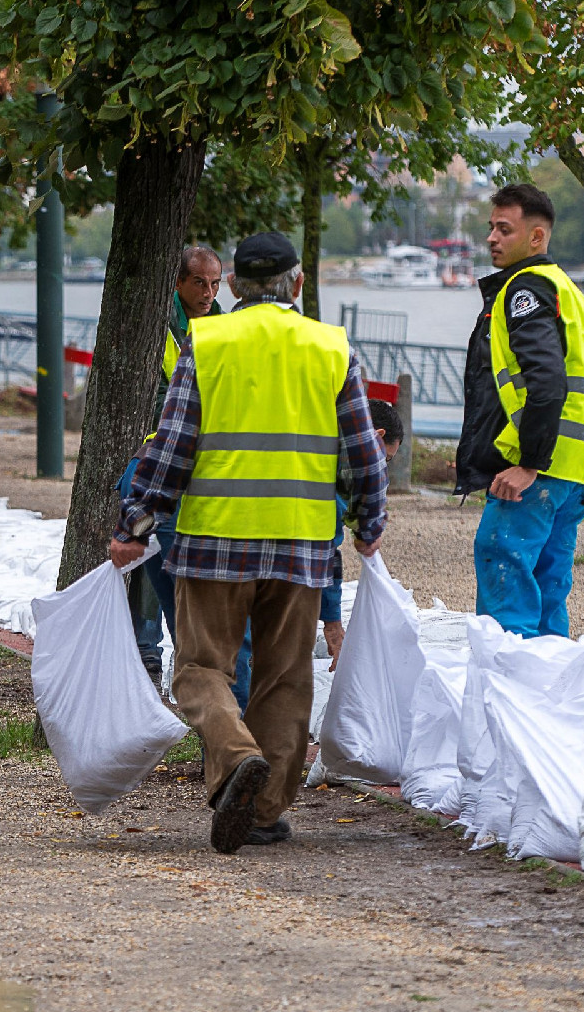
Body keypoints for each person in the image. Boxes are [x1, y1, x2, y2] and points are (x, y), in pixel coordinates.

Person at [112, 231, 388, 854]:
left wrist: (135, 526)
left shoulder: (206, 344)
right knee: (285, 678)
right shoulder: (330, 347)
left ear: (233, 286)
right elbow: (364, 453)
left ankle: (237, 758)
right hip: (302, 547)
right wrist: (368, 524)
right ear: (297, 284)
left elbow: (172, 447)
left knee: (200, 668)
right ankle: (264, 813)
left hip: (215, 539)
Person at [456, 183, 584, 639]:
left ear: (536, 237)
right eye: (491, 228)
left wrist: (527, 464)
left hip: (543, 466)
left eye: (505, 229)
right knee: (547, 589)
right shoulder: (572, 294)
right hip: (580, 468)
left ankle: (509, 694)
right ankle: (549, 698)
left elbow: (546, 383)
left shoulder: (525, 290)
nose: (492, 238)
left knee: (504, 563)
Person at [121, 245, 254, 701]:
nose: (208, 292)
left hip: (203, 460)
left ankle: (188, 660)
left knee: (179, 561)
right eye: (199, 282)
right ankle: (149, 653)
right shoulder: (162, 325)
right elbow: (159, 392)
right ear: (179, 281)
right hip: (159, 453)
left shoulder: (221, 325)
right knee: (151, 552)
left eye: (216, 284)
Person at [322, 397, 404, 665]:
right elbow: (323, 547)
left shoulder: (320, 432)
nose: (383, 466)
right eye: (386, 459)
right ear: (377, 436)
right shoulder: (341, 468)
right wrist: (333, 622)